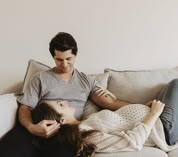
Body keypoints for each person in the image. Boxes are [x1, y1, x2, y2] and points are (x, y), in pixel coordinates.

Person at [0, 32, 129, 157]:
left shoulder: (86, 81)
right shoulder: (40, 78)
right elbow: (25, 107)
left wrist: (144, 104)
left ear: (75, 55)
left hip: (64, 133)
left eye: (69, 59)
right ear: (53, 58)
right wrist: (31, 127)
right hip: (35, 127)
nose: (65, 64)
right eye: (59, 60)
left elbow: (110, 103)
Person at [31, 79, 178, 157]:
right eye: (60, 105)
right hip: (167, 132)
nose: (65, 103)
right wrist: (153, 114)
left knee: (168, 87)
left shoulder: (87, 121)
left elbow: (123, 120)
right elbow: (132, 141)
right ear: (60, 120)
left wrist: (145, 108)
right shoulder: (86, 135)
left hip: (160, 122)